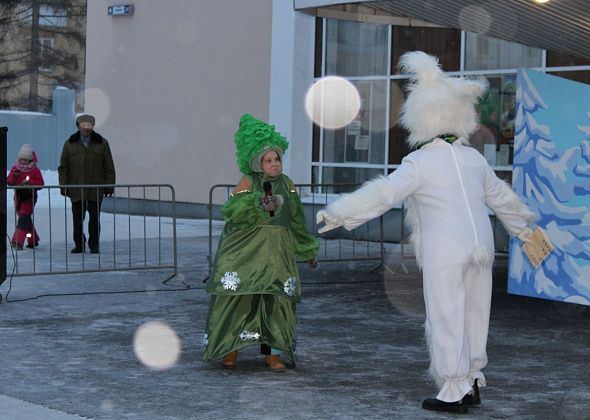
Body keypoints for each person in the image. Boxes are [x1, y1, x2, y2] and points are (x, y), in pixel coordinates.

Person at [316, 51, 537, 415]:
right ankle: (472, 379)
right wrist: (524, 231)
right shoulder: (474, 159)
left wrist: (340, 214)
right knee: (475, 313)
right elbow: (503, 200)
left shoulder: (420, 162)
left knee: (446, 314)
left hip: (445, 250)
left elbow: (385, 194)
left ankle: (453, 389)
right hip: (480, 245)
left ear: (420, 118)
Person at [203, 114, 319, 370]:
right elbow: (232, 211)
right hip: (246, 253)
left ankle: (272, 353)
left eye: (277, 158)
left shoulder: (287, 184)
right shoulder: (247, 182)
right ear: (257, 161)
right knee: (240, 300)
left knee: (276, 301)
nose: (275, 164)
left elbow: (297, 219)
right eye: (268, 160)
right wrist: (257, 203)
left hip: (277, 254)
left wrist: (306, 248)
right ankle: (230, 350)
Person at [58, 114, 116, 254]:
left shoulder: (102, 143)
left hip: (95, 189)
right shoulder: (69, 143)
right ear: (78, 126)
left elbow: (109, 166)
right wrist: (63, 185)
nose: (86, 129)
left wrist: (109, 185)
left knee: (94, 219)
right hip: (76, 189)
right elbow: (63, 167)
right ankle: (79, 244)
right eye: (83, 125)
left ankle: (94, 245)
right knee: (77, 219)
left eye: (89, 126)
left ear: (92, 127)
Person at [7, 144, 45, 250]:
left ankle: (17, 241)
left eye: (25, 160)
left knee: (23, 219)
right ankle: (33, 240)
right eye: (21, 159)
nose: (23, 162)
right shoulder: (15, 168)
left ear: (30, 160)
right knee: (26, 219)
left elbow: (41, 183)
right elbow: (9, 182)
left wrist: (29, 183)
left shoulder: (35, 170)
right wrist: (14, 176)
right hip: (18, 197)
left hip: (29, 197)